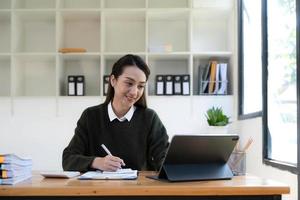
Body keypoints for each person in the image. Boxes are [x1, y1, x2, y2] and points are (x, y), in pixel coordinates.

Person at [62, 54, 169, 172]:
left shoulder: (149, 118)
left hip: (138, 189)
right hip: (99, 189)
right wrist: (97, 162)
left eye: (141, 86)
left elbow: (164, 159)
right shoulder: (90, 116)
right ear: (113, 80)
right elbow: (68, 160)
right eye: (129, 83)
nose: (134, 92)